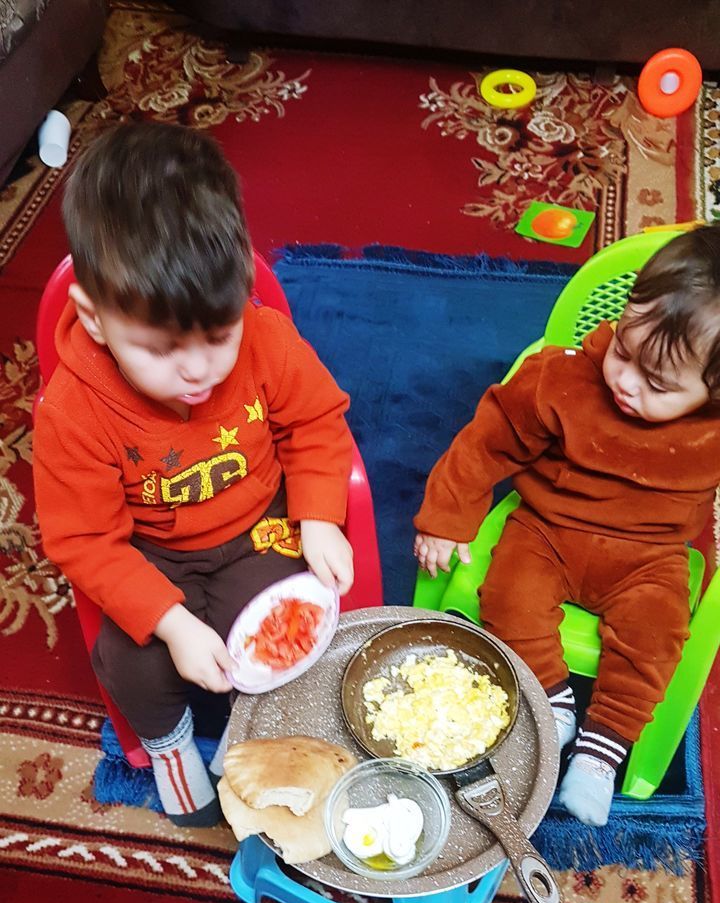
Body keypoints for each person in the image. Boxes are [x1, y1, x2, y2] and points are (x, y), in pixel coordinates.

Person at [34, 122, 354, 828]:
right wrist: (173, 623)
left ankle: (261, 735)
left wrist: (321, 515)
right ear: (92, 319)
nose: (199, 370)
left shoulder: (266, 338)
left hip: (256, 528)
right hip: (150, 556)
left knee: (296, 624)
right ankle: (172, 747)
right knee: (132, 660)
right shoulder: (73, 411)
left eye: (219, 335)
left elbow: (316, 420)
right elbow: (86, 542)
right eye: (161, 349)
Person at [414, 227, 720, 827]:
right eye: (623, 353)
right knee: (508, 593)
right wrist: (447, 518)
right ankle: (551, 702)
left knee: (657, 634)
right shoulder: (566, 378)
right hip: (549, 528)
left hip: (651, 555)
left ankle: (604, 748)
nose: (626, 383)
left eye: (657, 384)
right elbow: (486, 443)